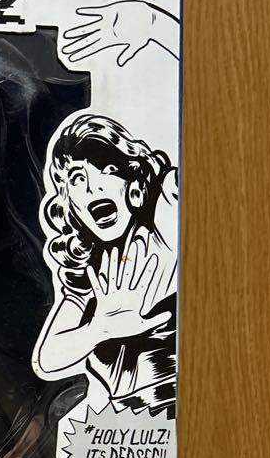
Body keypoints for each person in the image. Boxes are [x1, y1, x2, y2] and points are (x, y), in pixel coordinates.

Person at [34, 115, 178, 417]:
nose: (92, 187)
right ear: (69, 203)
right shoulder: (86, 272)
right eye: (77, 178)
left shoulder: (162, 226)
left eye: (108, 169)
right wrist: (100, 328)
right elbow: (48, 359)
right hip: (122, 433)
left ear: (133, 183)